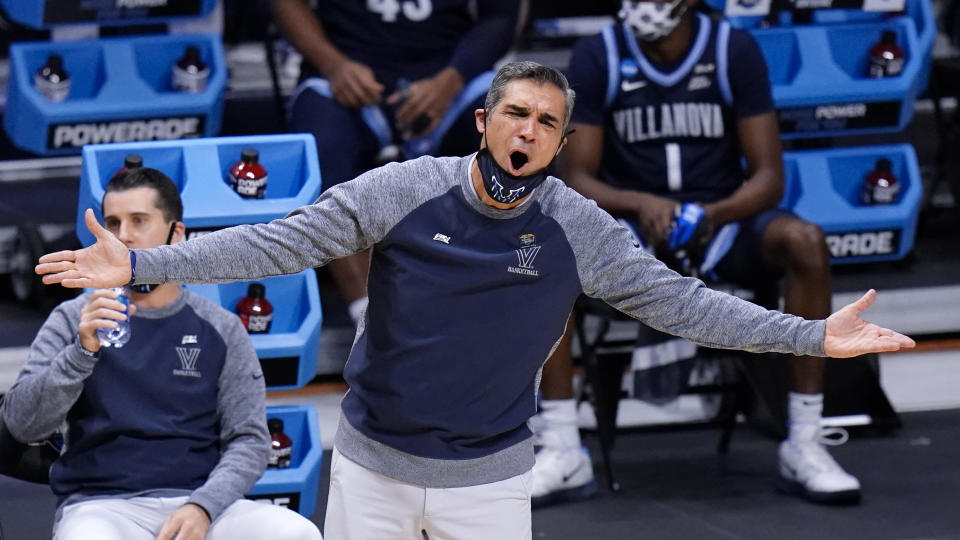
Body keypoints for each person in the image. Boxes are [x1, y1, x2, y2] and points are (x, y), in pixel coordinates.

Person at [34, 62, 914, 539]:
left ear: (562, 143)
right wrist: (144, 267)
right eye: (513, 114)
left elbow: (683, 305)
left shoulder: (582, 228)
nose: (526, 131)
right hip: (374, 468)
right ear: (482, 122)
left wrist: (809, 333)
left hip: (489, 483)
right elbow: (280, 241)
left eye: (545, 123)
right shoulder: (403, 188)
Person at [530, 0, 866, 507]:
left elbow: (770, 178)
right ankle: (562, 446)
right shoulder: (599, 54)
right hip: (630, 230)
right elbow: (575, 176)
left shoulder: (733, 49)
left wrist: (713, 215)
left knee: (805, 241)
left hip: (720, 223)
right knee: (550, 246)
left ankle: (805, 440)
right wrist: (641, 203)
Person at [2, 168, 322, 540]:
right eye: (112, 222)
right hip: (101, 505)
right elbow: (22, 425)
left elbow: (249, 440)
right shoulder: (73, 318)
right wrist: (80, 352)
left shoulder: (220, 327)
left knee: (295, 533)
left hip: (205, 504)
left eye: (139, 221)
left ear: (178, 233)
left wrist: (203, 507)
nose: (123, 236)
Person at [273, 0, 519, 326]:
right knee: (320, 146)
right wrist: (332, 65)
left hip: (448, 74)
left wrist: (451, 80)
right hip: (349, 71)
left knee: (515, 134)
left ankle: (507, 305)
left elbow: (501, 16)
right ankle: (370, 320)